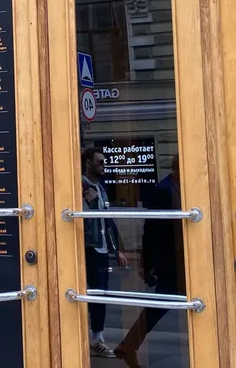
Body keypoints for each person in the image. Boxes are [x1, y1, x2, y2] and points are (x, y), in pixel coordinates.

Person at [115, 154, 185, 367]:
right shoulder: (165, 190)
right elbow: (153, 230)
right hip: (171, 261)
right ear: (178, 169)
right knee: (162, 304)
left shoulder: (176, 187)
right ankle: (128, 346)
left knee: (161, 305)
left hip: (177, 260)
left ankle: (128, 346)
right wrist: (149, 264)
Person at [82, 146, 126, 358]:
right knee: (94, 293)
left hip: (100, 248)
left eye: (105, 162)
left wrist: (117, 249)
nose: (104, 166)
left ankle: (96, 336)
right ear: (88, 163)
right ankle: (94, 338)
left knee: (100, 294)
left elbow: (107, 221)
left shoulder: (100, 188)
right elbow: (77, 218)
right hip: (88, 248)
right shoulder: (81, 186)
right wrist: (89, 203)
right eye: (100, 162)